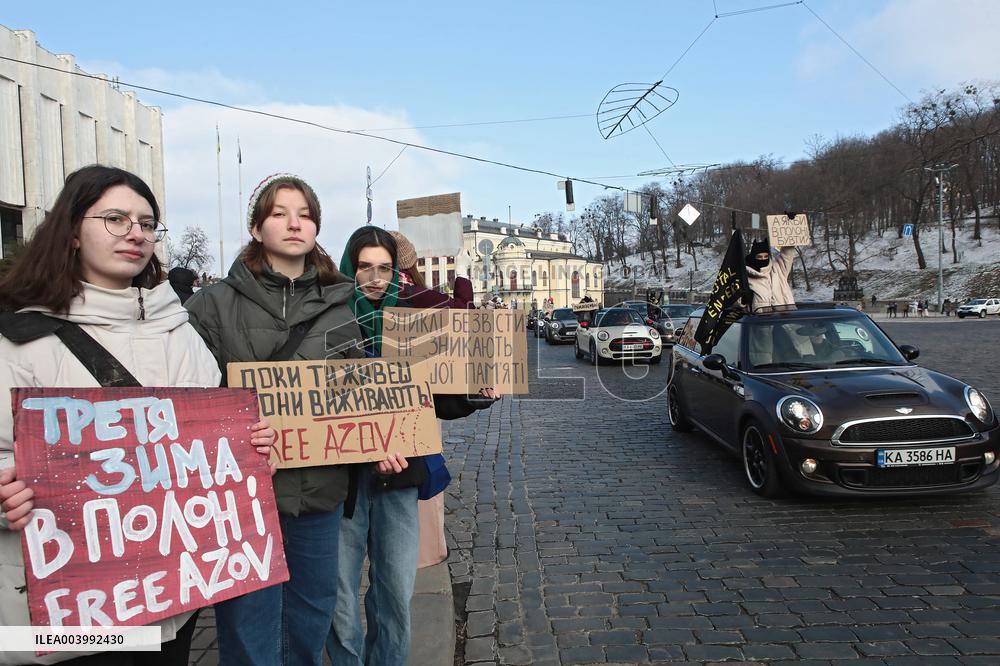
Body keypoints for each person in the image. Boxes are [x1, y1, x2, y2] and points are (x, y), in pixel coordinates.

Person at [0, 165, 274, 665]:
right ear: (71, 231)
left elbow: (209, 443)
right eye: (115, 219)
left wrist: (248, 453)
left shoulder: (179, 332)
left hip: (171, 604)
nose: (136, 233)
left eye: (147, 223)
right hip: (72, 617)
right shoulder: (18, 340)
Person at [185, 173, 364, 666]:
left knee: (311, 617)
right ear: (256, 227)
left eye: (305, 215)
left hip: (319, 495)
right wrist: (235, 428)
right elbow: (186, 400)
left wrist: (384, 442)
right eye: (280, 213)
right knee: (248, 628)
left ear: (317, 227)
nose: (294, 223)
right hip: (242, 498)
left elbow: (360, 396)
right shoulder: (211, 304)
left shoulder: (341, 309)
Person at [328, 226, 497, 666]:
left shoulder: (413, 317)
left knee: (394, 595)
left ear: (396, 272)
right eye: (365, 267)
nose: (375, 277)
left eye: (384, 268)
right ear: (349, 268)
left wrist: (474, 393)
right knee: (339, 599)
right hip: (340, 482)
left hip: (399, 477)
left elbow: (436, 394)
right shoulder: (327, 320)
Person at [744, 238, 796, 311]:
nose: (763, 259)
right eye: (759, 257)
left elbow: (787, 254)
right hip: (761, 317)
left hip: (787, 316)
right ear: (753, 257)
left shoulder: (778, 269)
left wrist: (789, 237)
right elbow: (738, 303)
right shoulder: (746, 277)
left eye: (766, 256)